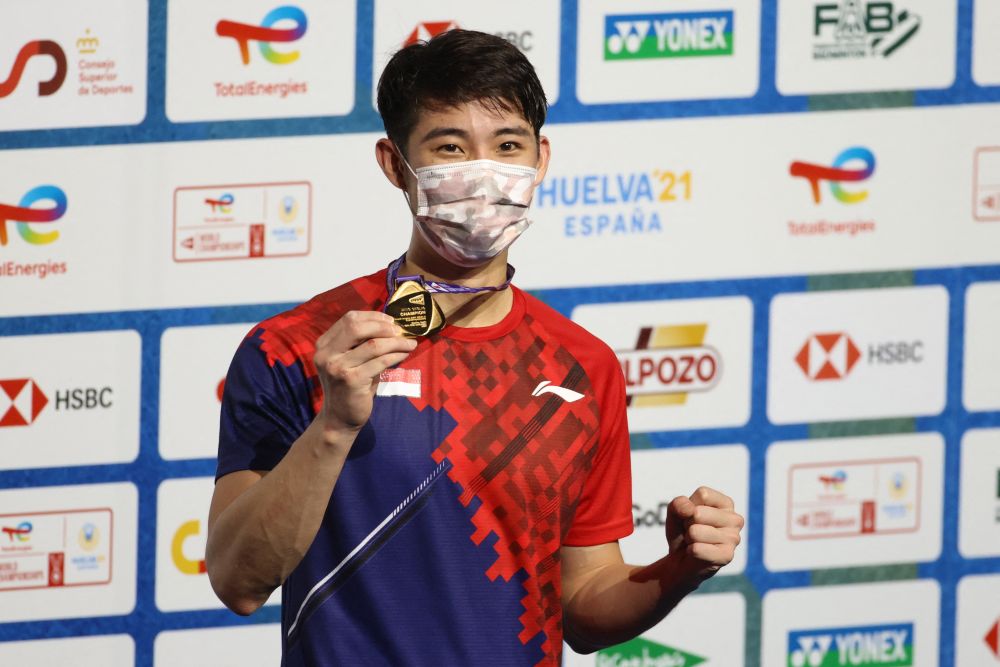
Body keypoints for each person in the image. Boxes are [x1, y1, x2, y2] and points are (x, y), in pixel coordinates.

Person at [206, 29, 744, 666]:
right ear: (393, 163)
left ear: (540, 161)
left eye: (508, 145)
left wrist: (679, 569)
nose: (483, 173)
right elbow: (238, 582)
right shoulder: (296, 346)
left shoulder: (583, 364)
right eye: (450, 147)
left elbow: (584, 605)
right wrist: (332, 428)